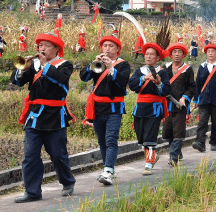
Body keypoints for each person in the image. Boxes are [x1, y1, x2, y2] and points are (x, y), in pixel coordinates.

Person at [11, 32, 75, 203]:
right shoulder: (34, 65)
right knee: (30, 156)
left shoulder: (65, 65)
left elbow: (61, 80)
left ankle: (67, 182)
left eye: (46, 45)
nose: (42, 48)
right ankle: (32, 192)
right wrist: (22, 69)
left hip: (55, 116)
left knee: (58, 154)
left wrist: (46, 65)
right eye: (40, 45)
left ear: (56, 48)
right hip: (35, 116)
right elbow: (17, 82)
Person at [80, 36, 130, 185]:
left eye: (111, 46)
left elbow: (122, 82)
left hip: (114, 108)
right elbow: (84, 77)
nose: (107, 49)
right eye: (105, 46)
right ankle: (107, 169)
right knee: (102, 141)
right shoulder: (98, 64)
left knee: (111, 139)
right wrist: (93, 63)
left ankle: (108, 170)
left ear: (117, 49)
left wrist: (110, 68)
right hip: (97, 108)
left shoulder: (123, 65)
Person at [128, 43, 171, 175]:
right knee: (141, 136)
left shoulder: (162, 72)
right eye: (147, 54)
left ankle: (148, 163)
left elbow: (167, 90)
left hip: (155, 107)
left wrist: (158, 84)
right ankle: (152, 156)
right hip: (140, 107)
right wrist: (144, 78)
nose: (148, 56)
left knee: (150, 136)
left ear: (157, 57)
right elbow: (132, 85)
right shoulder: (139, 71)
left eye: (152, 54)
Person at [192, 43, 216, 152]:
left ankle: (214, 142)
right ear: (206, 53)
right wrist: (196, 99)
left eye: (212, 51)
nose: (210, 53)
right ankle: (200, 142)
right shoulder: (202, 66)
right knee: (202, 121)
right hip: (204, 99)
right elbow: (198, 84)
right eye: (208, 51)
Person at [163, 43, 195, 166]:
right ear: (170, 54)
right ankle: (175, 151)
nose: (177, 54)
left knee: (179, 130)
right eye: (174, 52)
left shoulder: (188, 69)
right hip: (167, 105)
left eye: (179, 52)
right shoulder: (165, 68)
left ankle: (174, 156)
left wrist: (184, 98)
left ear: (183, 54)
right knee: (168, 130)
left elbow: (192, 87)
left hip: (180, 105)